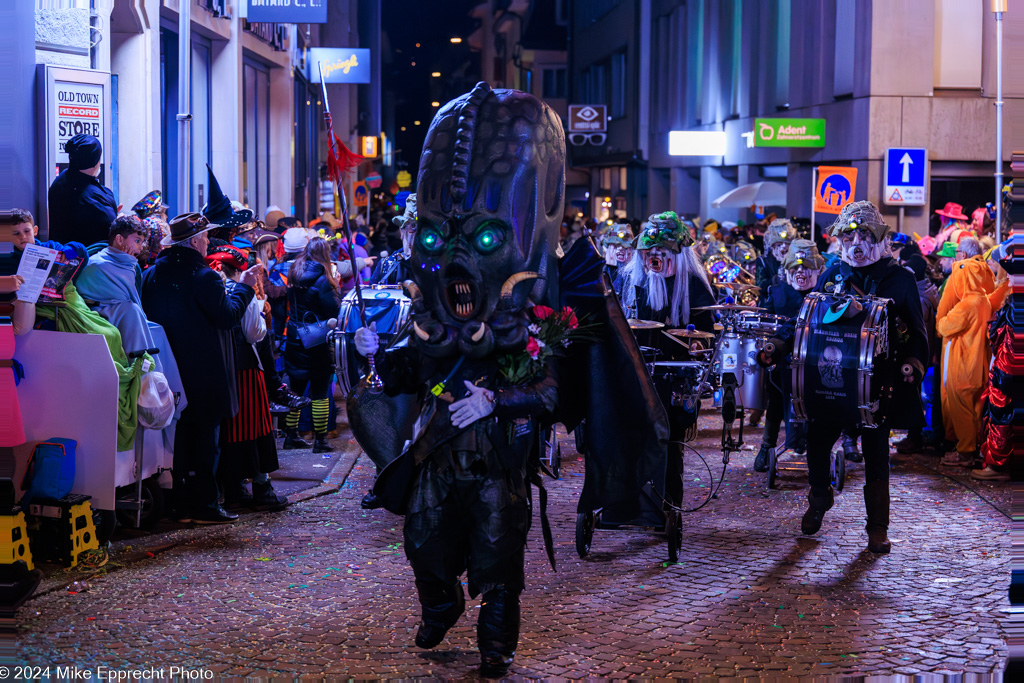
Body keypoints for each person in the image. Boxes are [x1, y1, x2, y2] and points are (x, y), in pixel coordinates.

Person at [353, 82, 564, 678]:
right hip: (436, 456)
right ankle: (441, 603)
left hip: (496, 462)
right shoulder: (428, 328)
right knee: (422, 541)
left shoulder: (524, 332)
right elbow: (401, 377)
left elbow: (549, 391)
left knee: (499, 557)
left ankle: (496, 644)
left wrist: (497, 399)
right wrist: (378, 353)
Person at [791, 201, 928, 554]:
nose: (855, 242)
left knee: (876, 453)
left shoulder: (899, 279)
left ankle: (877, 529)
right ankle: (819, 497)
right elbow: (810, 321)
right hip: (832, 380)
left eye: (864, 235)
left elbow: (918, 332)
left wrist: (912, 362)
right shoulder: (833, 273)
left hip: (877, 384)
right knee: (818, 441)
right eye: (848, 235)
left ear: (878, 239)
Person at [141, 213, 262, 524]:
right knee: (206, 441)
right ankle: (205, 505)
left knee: (178, 439)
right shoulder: (205, 276)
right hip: (204, 371)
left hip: (168, 368)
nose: (208, 240)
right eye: (205, 236)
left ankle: (180, 505)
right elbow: (227, 317)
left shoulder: (153, 274)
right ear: (194, 242)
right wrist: (245, 288)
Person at [204, 245, 289, 511]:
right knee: (255, 430)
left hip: (220, 368)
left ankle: (234, 488)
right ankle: (262, 489)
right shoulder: (245, 294)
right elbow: (254, 333)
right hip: (247, 369)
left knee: (230, 432)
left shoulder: (210, 290)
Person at [753, 239, 825, 472]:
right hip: (783, 361)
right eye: (795, 268)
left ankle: (829, 446)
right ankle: (767, 446)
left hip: (816, 360)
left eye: (806, 268)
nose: (800, 273)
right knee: (775, 397)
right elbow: (765, 320)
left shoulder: (824, 292)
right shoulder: (777, 290)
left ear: (817, 269)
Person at [283, 237, 342, 453]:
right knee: (319, 392)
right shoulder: (324, 281)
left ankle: (291, 436)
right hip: (316, 341)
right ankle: (321, 440)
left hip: (294, 338)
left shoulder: (294, 272)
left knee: (295, 390)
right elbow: (334, 312)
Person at [936, 256, 996, 468]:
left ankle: (965, 452)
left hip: (962, 366)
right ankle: (975, 447)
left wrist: (943, 315)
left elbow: (944, 327)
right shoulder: (985, 300)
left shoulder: (967, 304)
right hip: (979, 366)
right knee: (976, 411)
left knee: (961, 410)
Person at [75, 214, 160, 358]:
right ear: (120, 239)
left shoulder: (128, 265)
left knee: (159, 332)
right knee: (131, 311)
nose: (141, 248)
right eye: (137, 241)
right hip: (100, 318)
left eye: (142, 242)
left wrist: (128, 264)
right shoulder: (96, 265)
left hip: (126, 315)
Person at [618, 211, 716, 332]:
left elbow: (706, 329)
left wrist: (698, 344)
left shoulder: (694, 285)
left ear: (678, 254)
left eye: (662, 247)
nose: (654, 252)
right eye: (649, 247)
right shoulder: (638, 281)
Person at [47, 134, 119, 247]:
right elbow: (109, 230)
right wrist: (116, 218)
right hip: (87, 259)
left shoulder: (62, 180)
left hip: (63, 254)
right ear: (96, 162)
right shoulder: (96, 197)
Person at [370, 194, 417, 285]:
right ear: (401, 231)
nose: (411, 232)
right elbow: (373, 295)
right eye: (406, 226)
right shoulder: (387, 264)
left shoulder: (434, 266)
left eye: (415, 226)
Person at [755, 218, 795, 296]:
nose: (784, 247)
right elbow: (760, 287)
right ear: (773, 245)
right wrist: (777, 278)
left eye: (787, 244)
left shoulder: (794, 260)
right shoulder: (763, 261)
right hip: (770, 304)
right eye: (779, 244)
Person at [600, 223, 634, 287]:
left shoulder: (635, 272)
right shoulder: (603, 272)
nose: (620, 248)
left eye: (624, 246)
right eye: (615, 246)